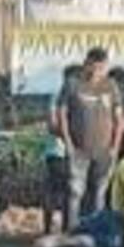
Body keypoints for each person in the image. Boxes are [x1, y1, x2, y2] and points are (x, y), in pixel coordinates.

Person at [58, 47, 124, 229]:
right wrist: (68, 143)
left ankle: (95, 234)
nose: (96, 72)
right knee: (75, 192)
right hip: (78, 150)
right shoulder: (72, 84)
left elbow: (119, 119)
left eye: (101, 68)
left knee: (99, 194)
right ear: (86, 64)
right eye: (93, 67)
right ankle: (71, 232)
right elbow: (62, 114)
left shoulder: (111, 86)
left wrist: (114, 147)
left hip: (104, 151)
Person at [42, 64, 81, 235]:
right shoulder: (57, 97)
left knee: (69, 193)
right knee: (57, 191)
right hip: (57, 152)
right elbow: (52, 126)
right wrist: (71, 134)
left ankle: (66, 229)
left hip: (75, 152)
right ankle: (49, 229)